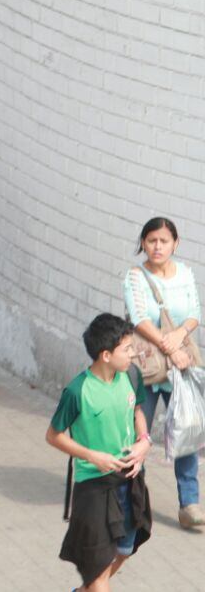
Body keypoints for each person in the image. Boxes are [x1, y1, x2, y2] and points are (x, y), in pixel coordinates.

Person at [46, 313, 152, 592]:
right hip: (94, 488)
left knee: (125, 550)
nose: (133, 353)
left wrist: (144, 441)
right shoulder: (77, 390)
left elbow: (137, 412)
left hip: (129, 482)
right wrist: (93, 456)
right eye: (127, 349)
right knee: (98, 573)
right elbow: (53, 436)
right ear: (106, 355)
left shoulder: (131, 375)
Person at [123, 215, 203, 528]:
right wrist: (172, 347)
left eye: (164, 241)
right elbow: (140, 319)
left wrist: (180, 336)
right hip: (145, 365)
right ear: (143, 243)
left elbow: (194, 314)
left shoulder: (185, 273)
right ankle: (134, 502)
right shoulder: (135, 276)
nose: (157, 247)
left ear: (175, 243)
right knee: (136, 434)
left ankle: (190, 503)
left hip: (179, 368)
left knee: (187, 430)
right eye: (151, 241)